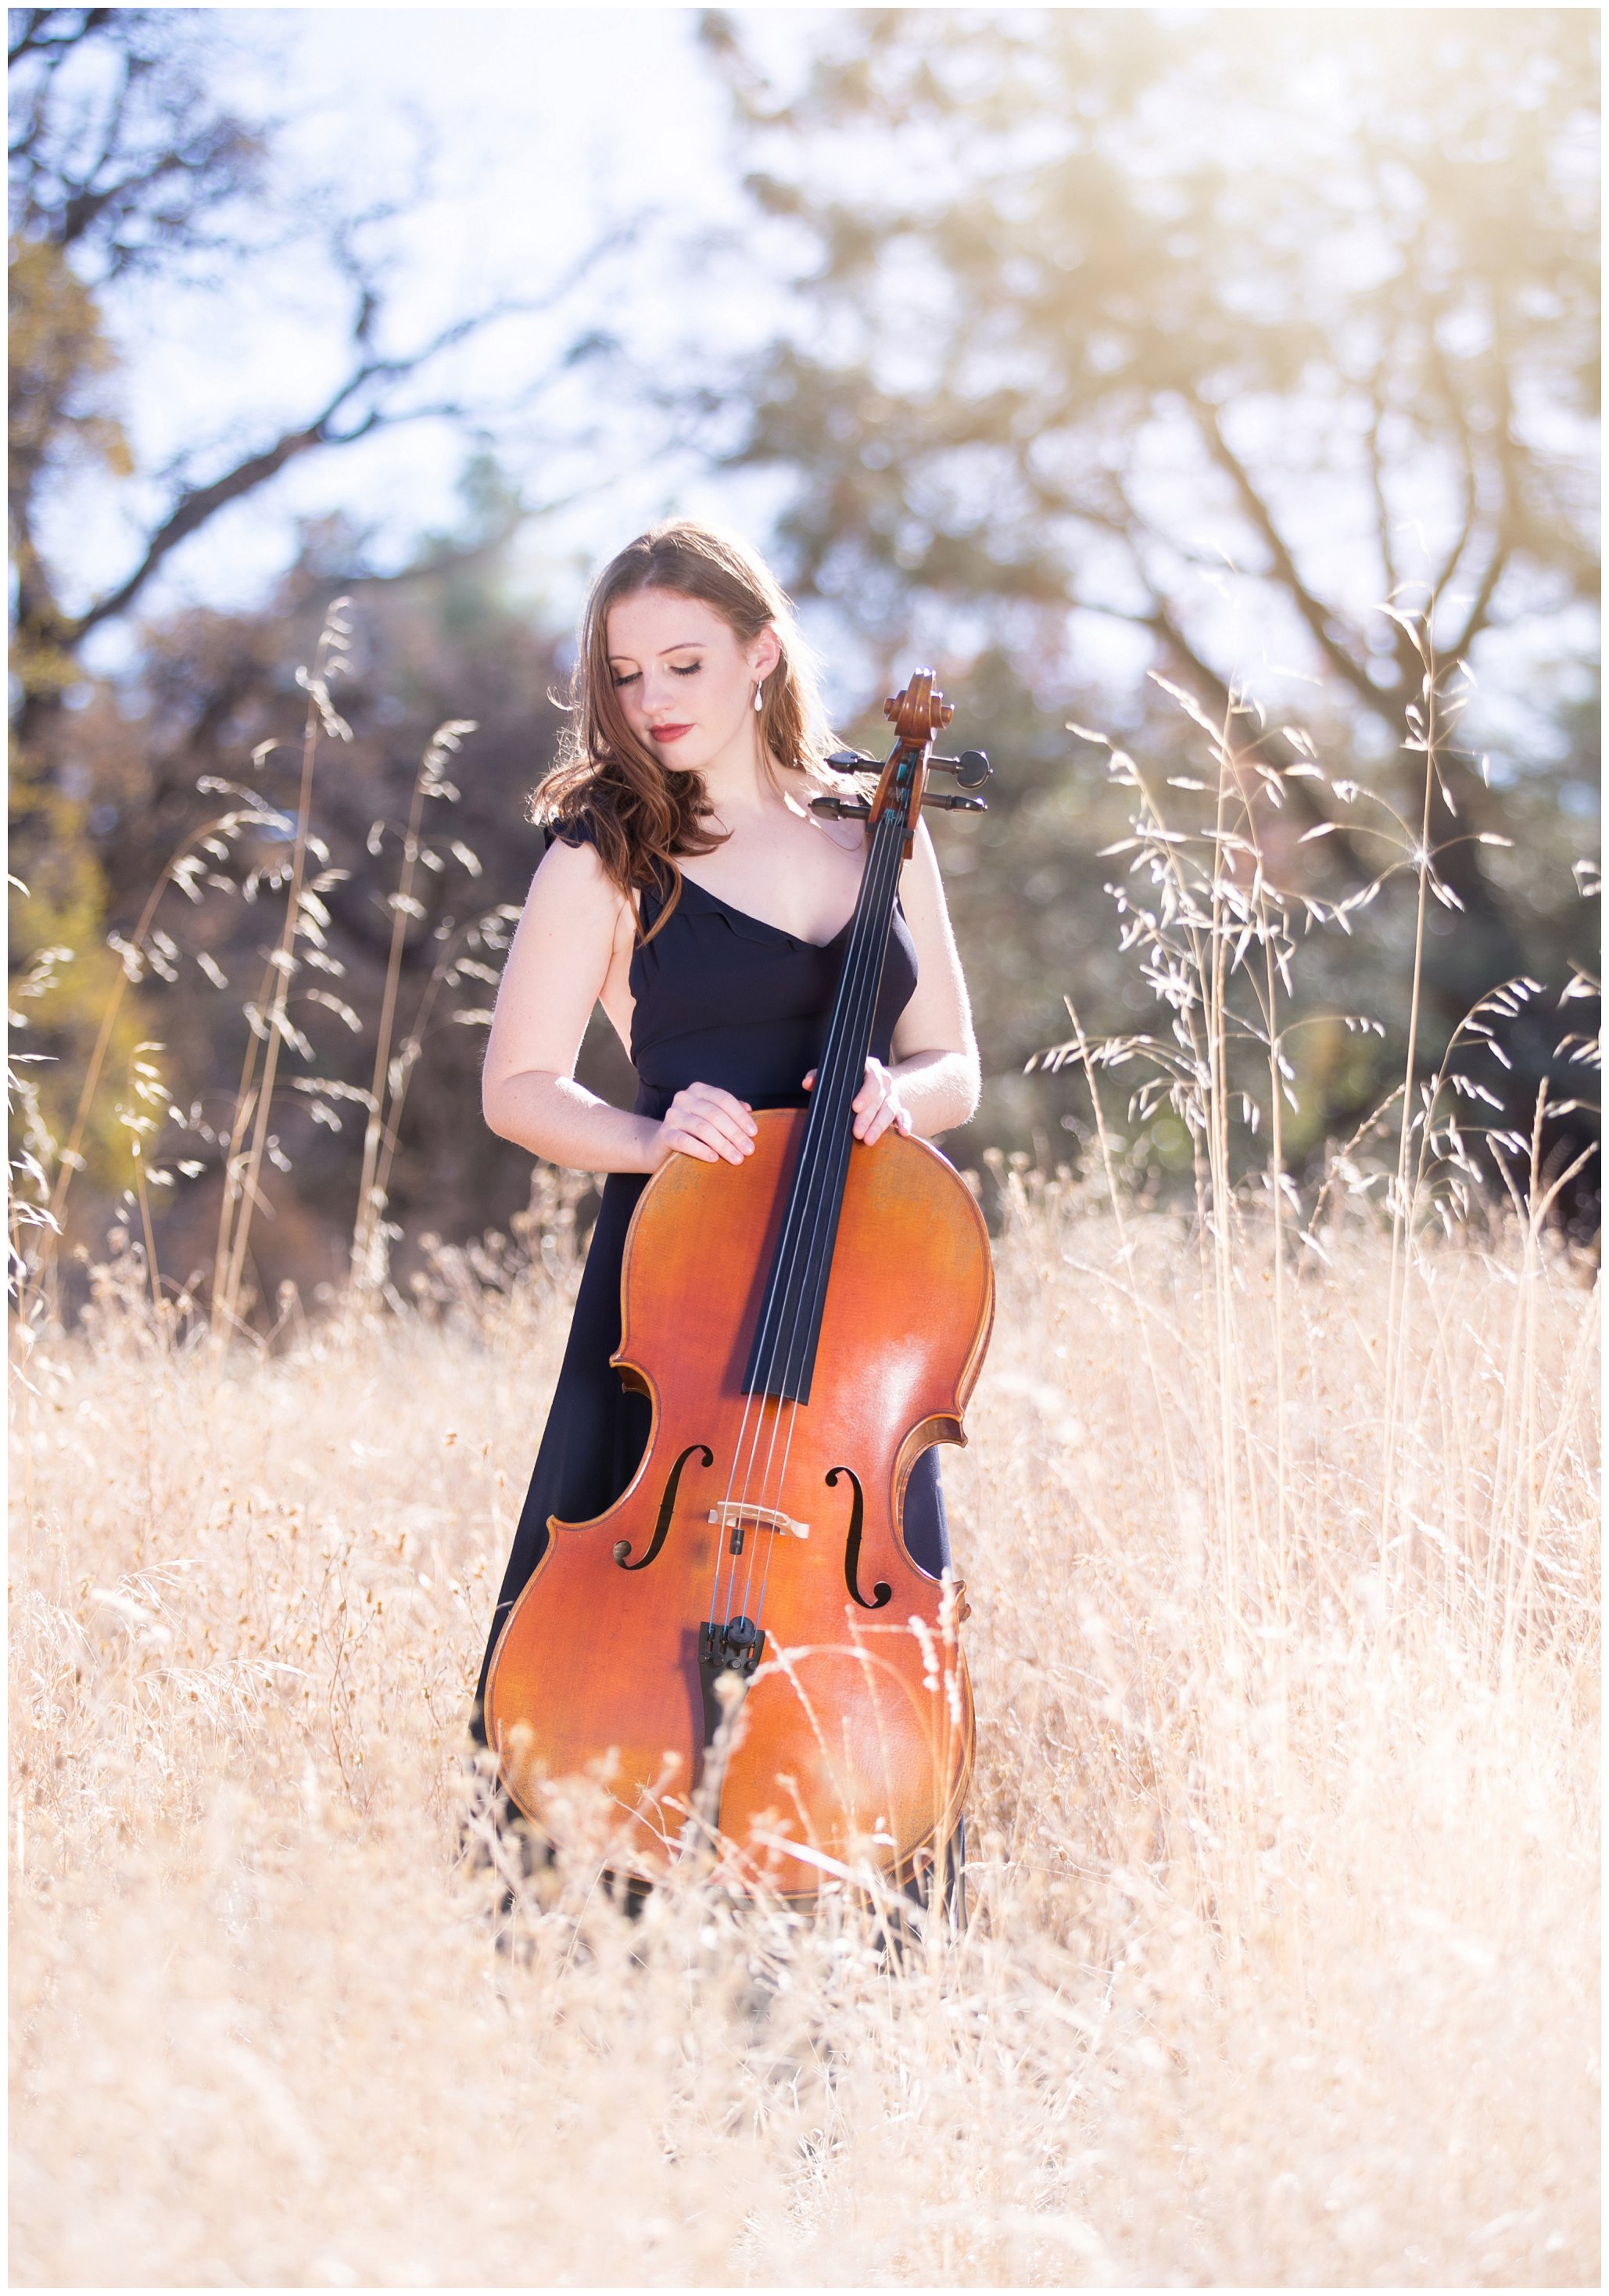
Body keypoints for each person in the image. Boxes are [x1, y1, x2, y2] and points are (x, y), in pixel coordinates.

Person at [470, 522, 981, 1852]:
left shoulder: (884, 828)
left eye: (685, 663)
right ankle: (589, 1949)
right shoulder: (605, 849)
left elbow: (955, 1066)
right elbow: (518, 1087)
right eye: (627, 675)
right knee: (600, 1639)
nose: (654, 702)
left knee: (867, 1616)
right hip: (680, 1295)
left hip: (860, 1317)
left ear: (761, 652)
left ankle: (855, 1929)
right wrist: (649, 1138)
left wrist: (897, 1100)